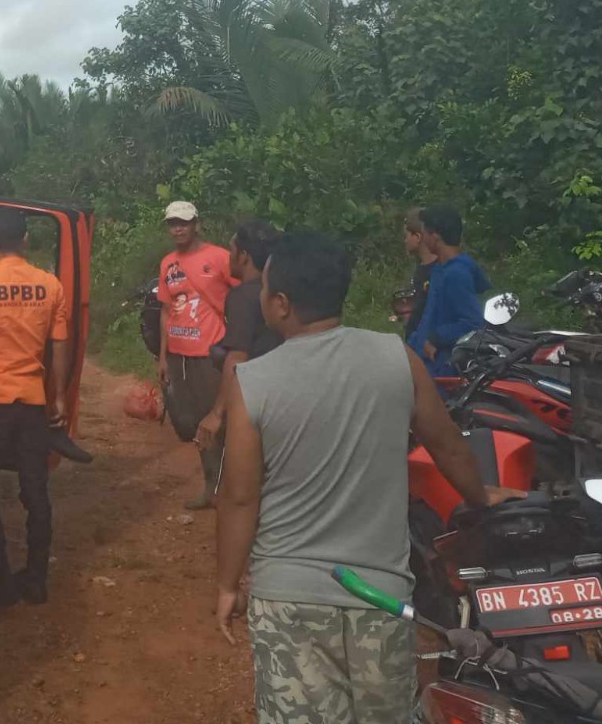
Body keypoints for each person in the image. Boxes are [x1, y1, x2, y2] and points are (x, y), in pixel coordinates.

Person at [214, 231, 515, 724]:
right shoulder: (396, 358)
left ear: (282, 305)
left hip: (290, 596)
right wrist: (480, 495)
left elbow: (240, 498)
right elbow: (445, 443)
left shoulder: (254, 381)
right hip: (380, 596)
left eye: (266, 289)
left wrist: (228, 583)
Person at [0, 209, 72, 618]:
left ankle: (2, 580)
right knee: (35, 491)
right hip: (33, 402)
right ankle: (36, 579)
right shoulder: (49, 284)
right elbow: (59, 345)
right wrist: (58, 397)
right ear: (24, 240)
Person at [157, 200, 239, 511]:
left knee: (221, 422)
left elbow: (243, 295)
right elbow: (166, 311)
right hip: (179, 356)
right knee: (195, 426)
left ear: (196, 224)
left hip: (211, 355)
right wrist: (163, 357)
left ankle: (235, 488)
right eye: (172, 223)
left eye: (184, 222)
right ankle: (211, 487)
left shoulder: (219, 257)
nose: (178, 228)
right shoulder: (167, 264)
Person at [195, 218, 282, 454]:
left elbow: (237, 358)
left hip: (254, 399)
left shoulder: (242, 297)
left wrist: (217, 413)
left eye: (231, 250)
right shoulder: (281, 292)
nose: (228, 256)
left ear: (244, 255)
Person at [408, 204, 490, 377]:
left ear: (435, 235)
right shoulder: (440, 269)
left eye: (425, 232)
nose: (422, 238)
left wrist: (437, 337)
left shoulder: (456, 274)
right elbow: (430, 315)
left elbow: (473, 322)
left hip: (442, 369)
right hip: (423, 363)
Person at [400, 207, 435, 341]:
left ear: (418, 237)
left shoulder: (438, 272)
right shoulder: (420, 269)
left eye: (406, 235)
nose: (405, 241)